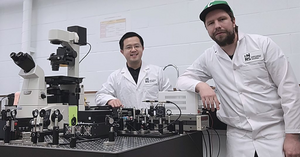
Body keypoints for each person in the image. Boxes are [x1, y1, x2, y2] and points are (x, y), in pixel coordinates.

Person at [176, 1, 300, 157]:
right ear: (207, 29)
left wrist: (293, 136)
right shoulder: (209, 57)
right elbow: (182, 80)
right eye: (211, 23)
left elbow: (289, 90)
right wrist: (201, 85)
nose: (217, 26)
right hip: (239, 138)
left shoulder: (262, 45)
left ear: (233, 21)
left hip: (275, 133)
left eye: (222, 19)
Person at [95, 32, 172, 109]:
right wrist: (110, 100)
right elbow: (100, 95)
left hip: (155, 119)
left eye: (137, 46)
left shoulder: (157, 72)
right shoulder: (115, 76)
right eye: (128, 47)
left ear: (143, 48)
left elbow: (169, 95)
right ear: (122, 52)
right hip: (126, 119)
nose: (133, 50)